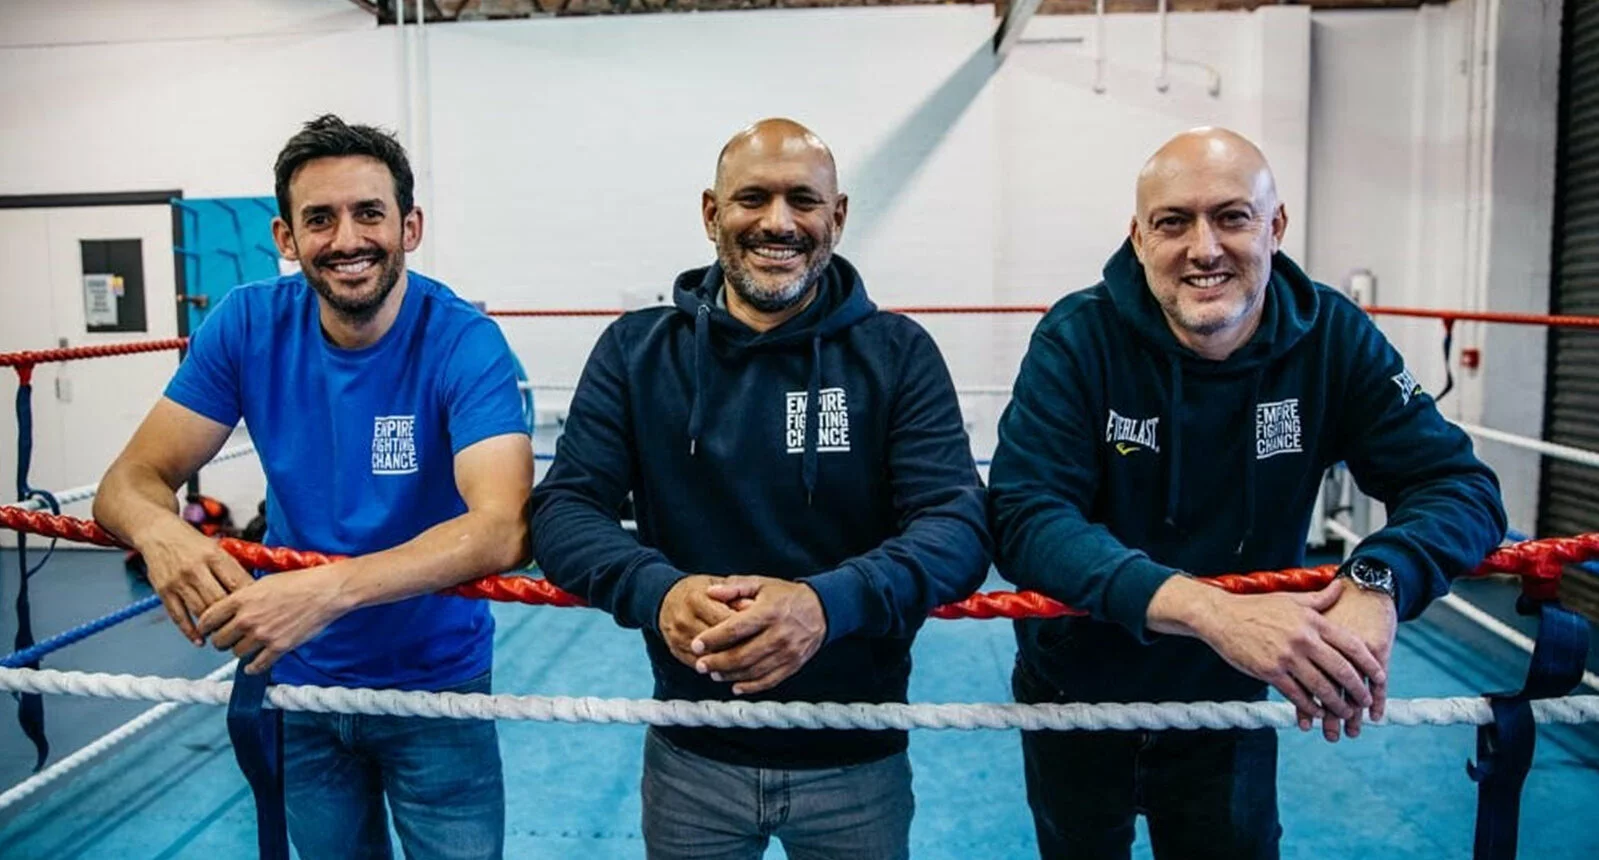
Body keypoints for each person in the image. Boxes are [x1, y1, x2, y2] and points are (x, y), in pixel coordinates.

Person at [988, 127, 1507, 860]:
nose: (1203, 249)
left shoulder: (1331, 336)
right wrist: (1211, 613)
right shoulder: (1079, 337)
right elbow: (1024, 517)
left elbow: (1458, 485)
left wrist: (1378, 578)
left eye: (1231, 216)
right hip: (1077, 686)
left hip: (1230, 699)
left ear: (1275, 226)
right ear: (1137, 238)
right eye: (1173, 222)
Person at [530, 118, 991, 860]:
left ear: (835, 217)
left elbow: (957, 525)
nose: (777, 223)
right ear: (711, 213)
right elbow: (564, 507)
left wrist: (824, 606)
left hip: (855, 756)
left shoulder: (896, 355)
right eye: (752, 198)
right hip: (690, 757)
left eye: (802, 201)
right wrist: (658, 591)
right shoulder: (637, 352)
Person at [94, 114, 533, 859]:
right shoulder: (247, 323)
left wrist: (323, 592)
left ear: (410, 226)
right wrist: (164, 534)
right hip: (297, 683)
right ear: (286, 239)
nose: (347, 239)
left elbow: (502, 528)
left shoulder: (463, 340)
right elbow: (128, 481)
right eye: (319, 219)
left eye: (369, 213)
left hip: (436, 684)